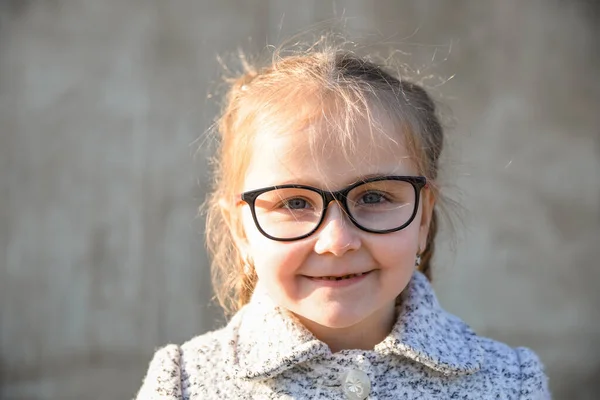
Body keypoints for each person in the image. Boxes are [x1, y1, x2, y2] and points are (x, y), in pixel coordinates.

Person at [134, 41, 550, 399]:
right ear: (241, 230)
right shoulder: (185, 384)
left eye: (373, 196)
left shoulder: (508, 383)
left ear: (423, 216)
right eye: (294, 203)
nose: (337, 240)